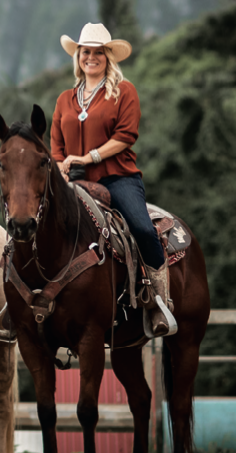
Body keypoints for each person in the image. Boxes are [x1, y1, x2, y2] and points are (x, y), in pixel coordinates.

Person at [51, 22, 177, 337]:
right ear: (78, 56)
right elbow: (55, 145)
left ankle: (159, 301)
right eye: (85, 52)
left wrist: (89, 157)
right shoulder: (65, 98)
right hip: (73, 183)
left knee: (141, 227)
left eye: (97, 52)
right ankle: (23, 304)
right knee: (32, 224)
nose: (91, 57)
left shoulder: (124, 91)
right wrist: (60, 166)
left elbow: (125, 136)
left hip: (117, 177)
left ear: (108, 57)